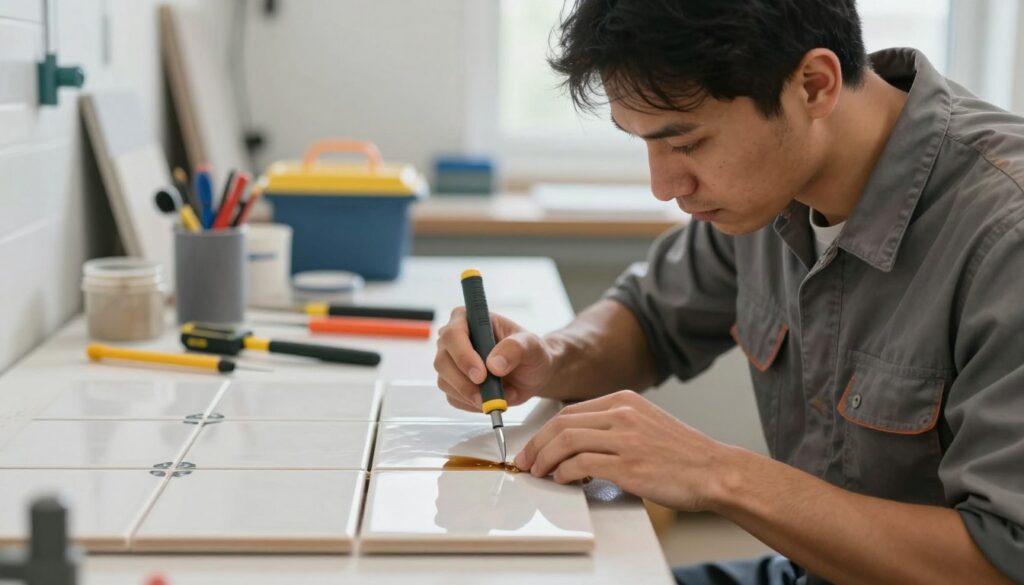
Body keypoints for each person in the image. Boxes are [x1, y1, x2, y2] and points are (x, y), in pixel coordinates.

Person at [433, 1, 1024, 583]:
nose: (664, 186)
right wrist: (548, 358)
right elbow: (651, 317)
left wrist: (717, 475)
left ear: (814, 85)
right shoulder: (767, 190)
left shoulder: (1005, 237)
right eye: (643, 143)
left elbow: (1005, 558)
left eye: (687, 144)